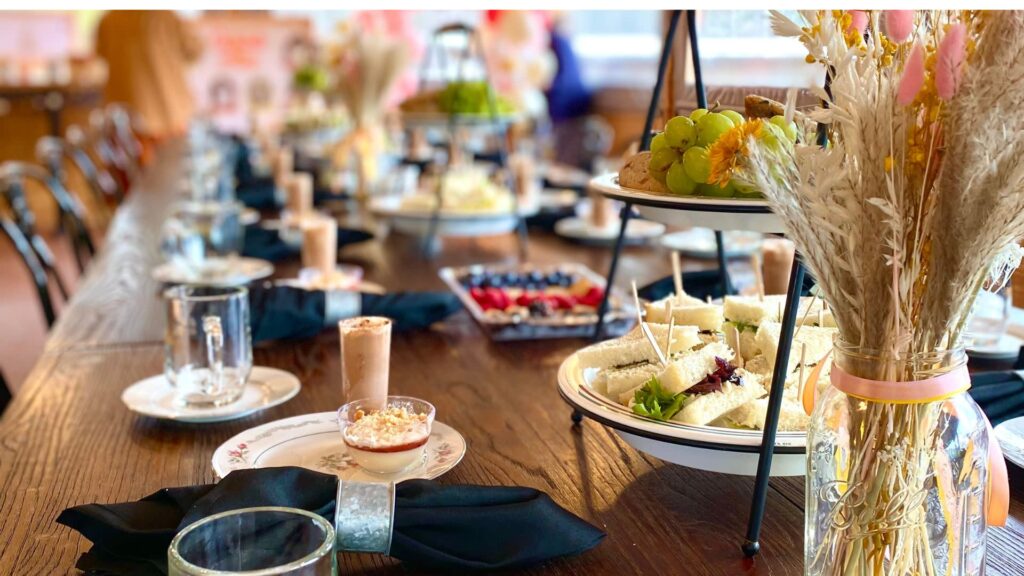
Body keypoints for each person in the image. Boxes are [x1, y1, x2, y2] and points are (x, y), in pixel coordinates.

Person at [95, 11, 202, 143]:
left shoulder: (110, 18)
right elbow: (194, 50)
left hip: (124, 113)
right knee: (170, 159)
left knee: (126, 157)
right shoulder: (166, 16)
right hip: (167, 112)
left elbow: (100, 52)